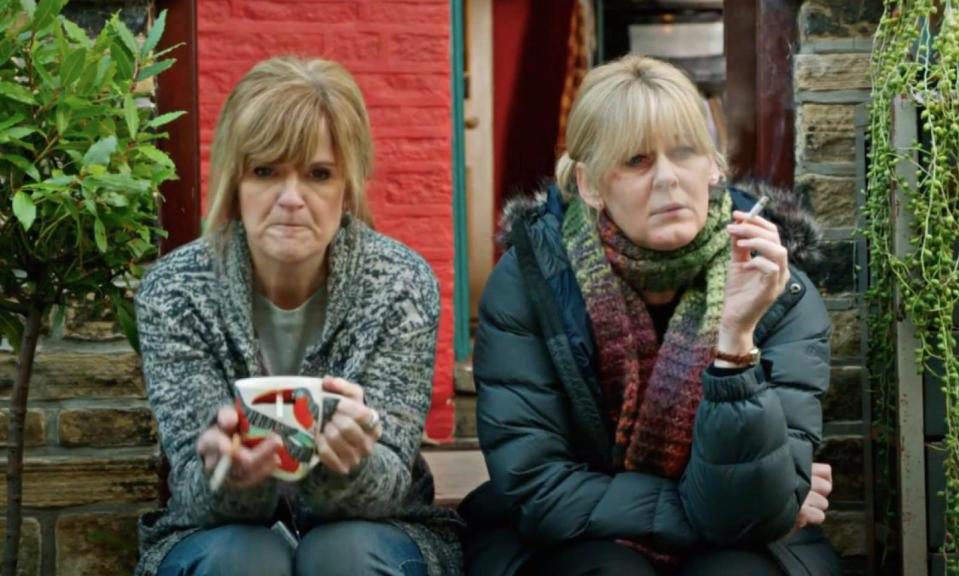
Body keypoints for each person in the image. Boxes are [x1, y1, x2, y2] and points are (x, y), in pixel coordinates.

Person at [460, 55, 841, 576]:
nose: (667, 179)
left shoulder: (776, 287)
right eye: (637, 160)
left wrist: (735, 344)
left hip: (738, 551)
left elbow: (752, 512)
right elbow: (540, 490)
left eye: (684, 152)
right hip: (571, 544)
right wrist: (720, 511)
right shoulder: (532, 284)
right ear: (590, 185)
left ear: (713, 166)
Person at [134, 56, 462, 576]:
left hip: (377, 530)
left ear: (347, 187)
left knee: (344, 555)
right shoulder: (175, 291)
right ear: (235, 182)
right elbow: (194, 492)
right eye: (266, 171)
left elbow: (392, 481)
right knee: (242, 558)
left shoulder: (400, 283)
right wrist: (231, 477)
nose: (291, 199)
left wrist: (347, 466)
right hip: (215, 536)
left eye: (318, 174)